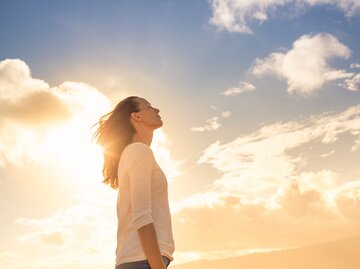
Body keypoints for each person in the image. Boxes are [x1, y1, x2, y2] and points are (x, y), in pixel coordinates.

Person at [92, 96, 175, 269]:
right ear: (136, 116)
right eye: (149, 107)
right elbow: (142, 215)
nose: (157, 110)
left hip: (140, 261)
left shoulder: (132, 153)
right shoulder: (139, 151)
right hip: (142, 261)